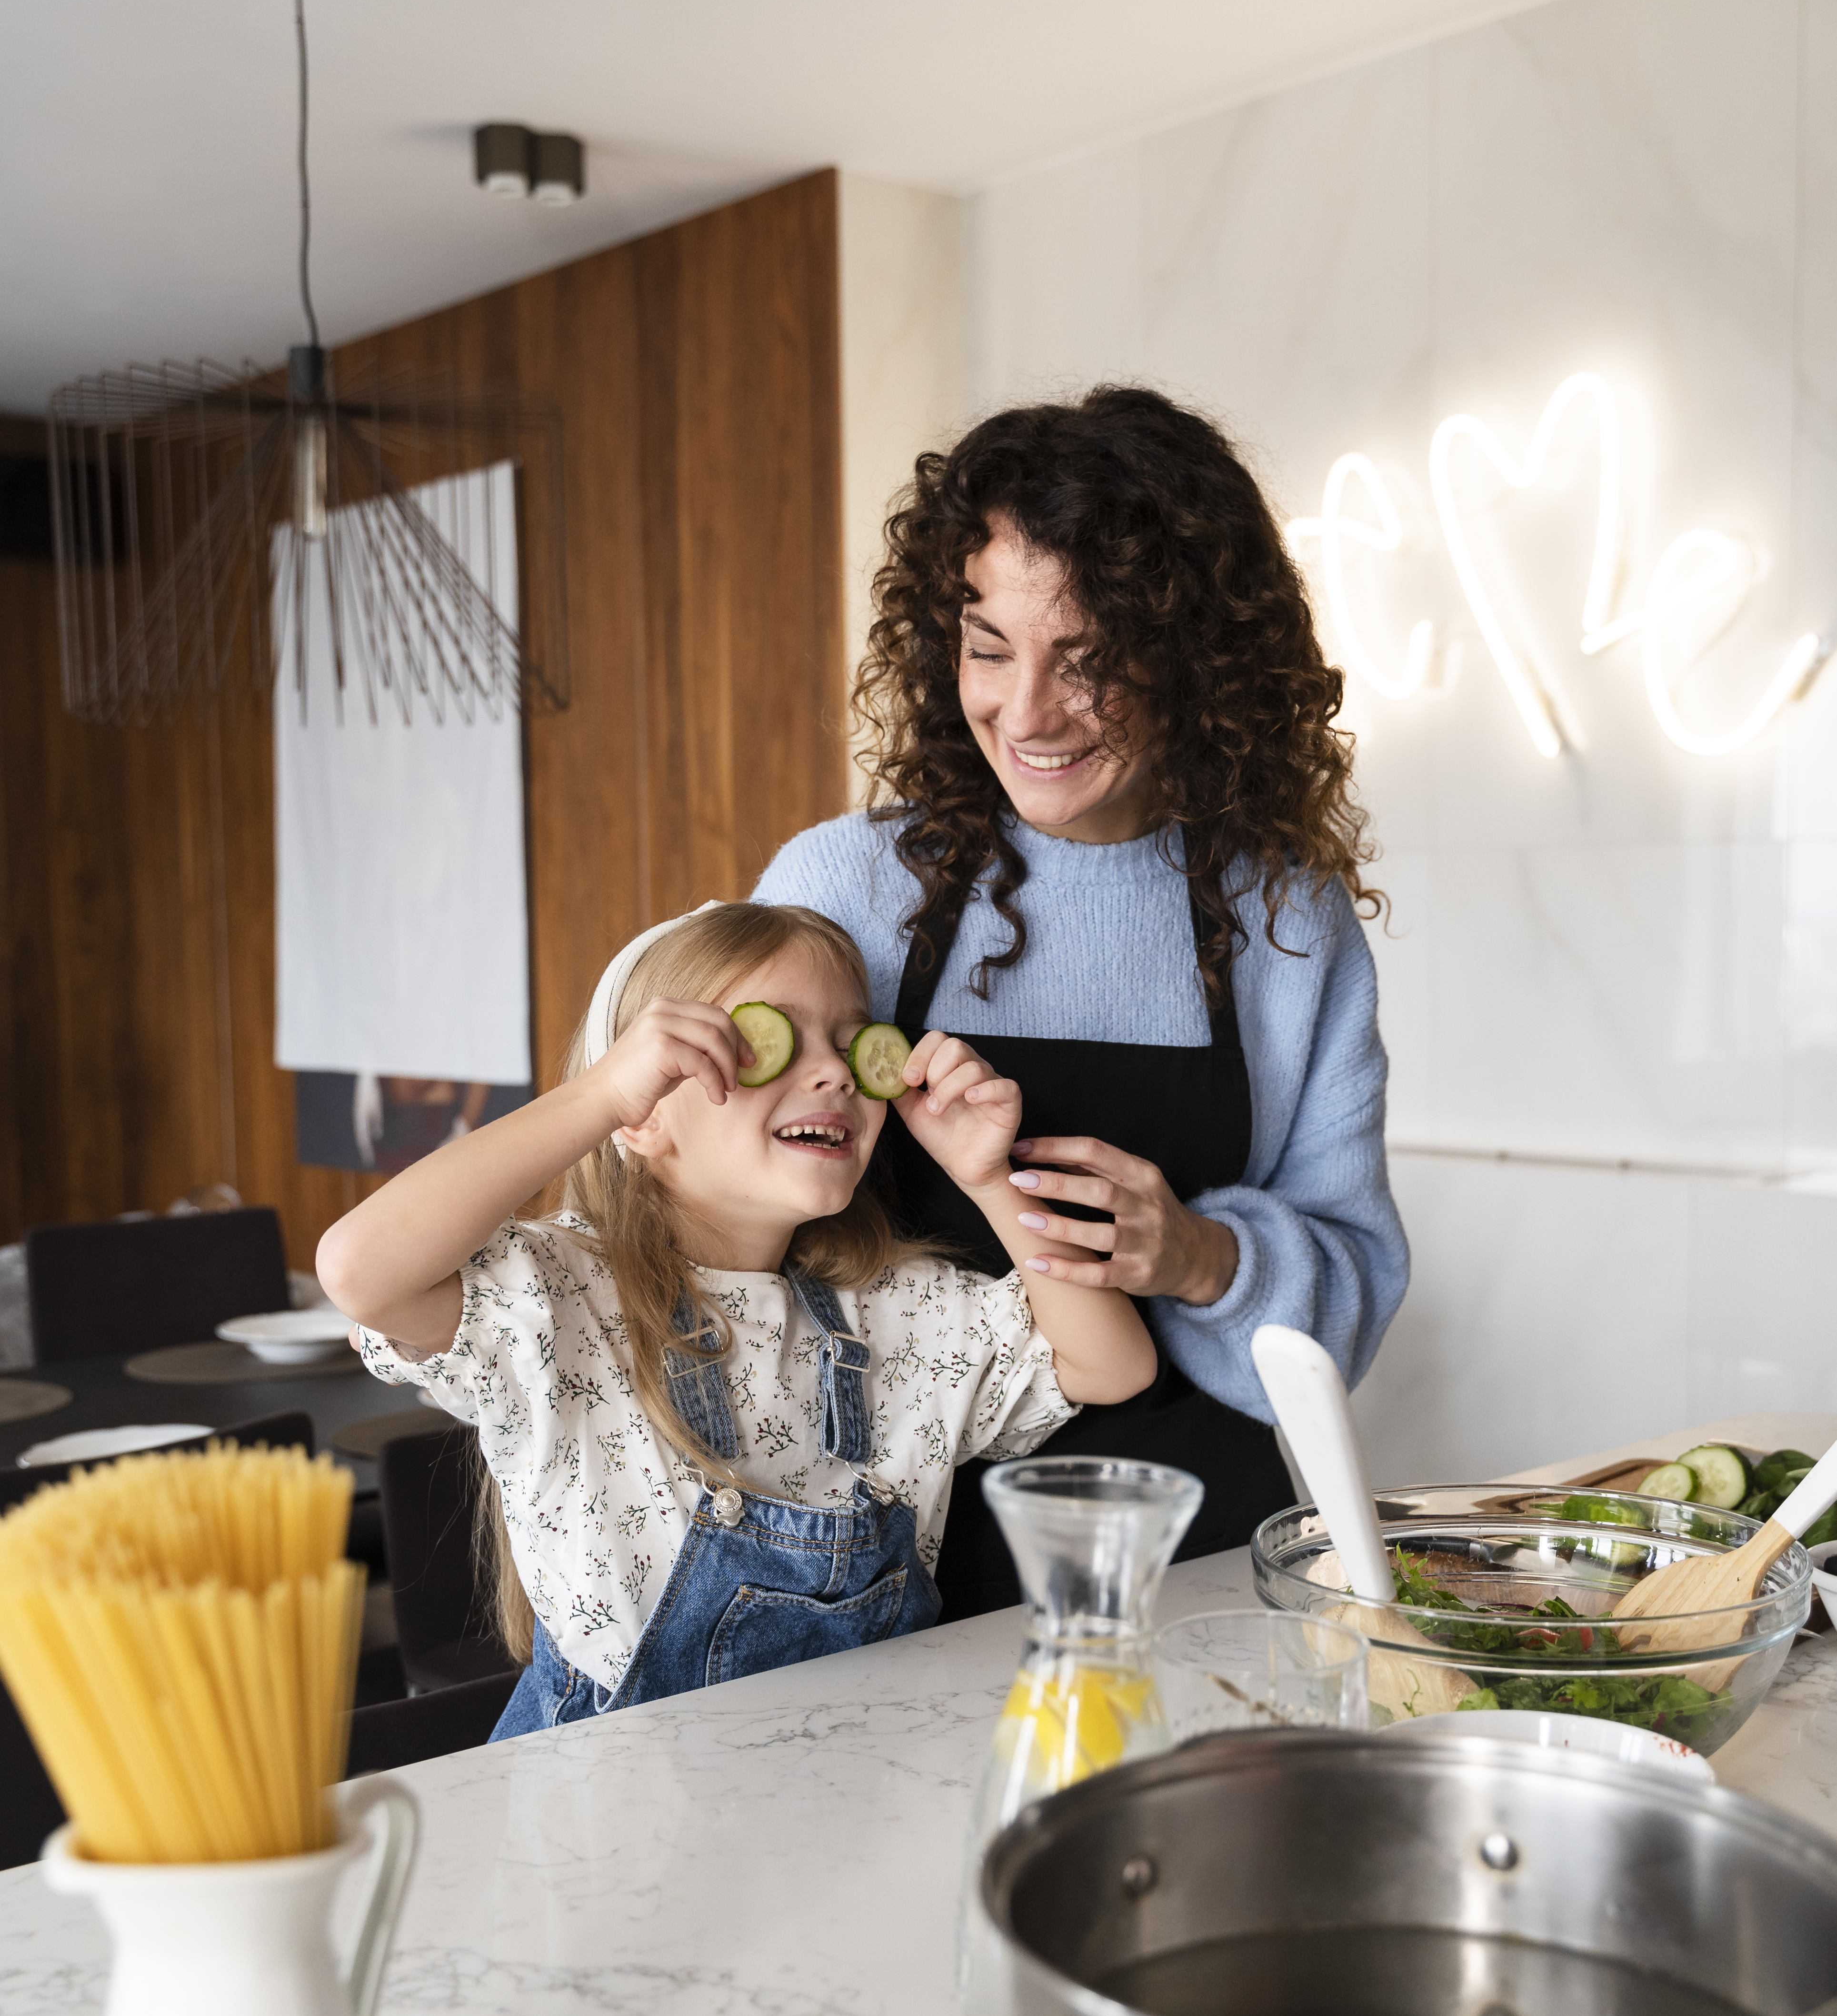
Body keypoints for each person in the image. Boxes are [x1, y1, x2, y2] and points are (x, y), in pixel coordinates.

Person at [756, 385, 1408, 1621]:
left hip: (1193, 1556)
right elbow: (715, 1219)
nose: (1029, 711)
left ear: (1194, 660)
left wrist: (1201, 1253)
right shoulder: (846, 887)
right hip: (875, 1556)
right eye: (989, 649)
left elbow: (1354, 1297)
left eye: (1090, 659)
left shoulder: (1285, 920)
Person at [315, 900, 1155, 1730]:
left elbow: (1111, 1365)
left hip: (850, 1781)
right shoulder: (556, 1297)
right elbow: (361, 1270)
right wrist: (600, 1096)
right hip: (613, 1807)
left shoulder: (898, 1312)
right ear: (643, 1114)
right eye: (762, 1042)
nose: (831, 1072)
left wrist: (987, 1178)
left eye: (850, 1042)